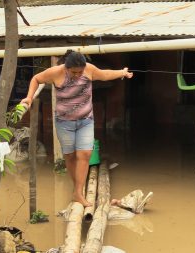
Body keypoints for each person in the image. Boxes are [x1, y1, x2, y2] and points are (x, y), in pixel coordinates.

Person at [21, 50, 133, 207]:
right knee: (70, 156)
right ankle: (77, 190)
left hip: (86, 121)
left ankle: (78, 193)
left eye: (80, 72)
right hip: (64, 123)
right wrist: (29, 97)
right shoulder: (56, 73)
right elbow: (36, 79)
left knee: (85, 154)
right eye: (74, 72)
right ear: (66, 68)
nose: (78, 75)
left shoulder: (89, 69)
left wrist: (122, 72)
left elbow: (104, 74)